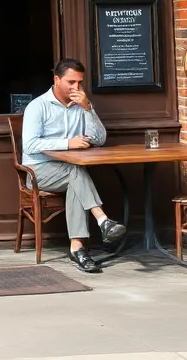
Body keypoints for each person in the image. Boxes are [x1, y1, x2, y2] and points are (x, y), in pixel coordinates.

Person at [21, 58, 127, 273]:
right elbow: (30, 144)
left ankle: (77, 248)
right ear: (56, 80)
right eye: (71, 82)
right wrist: (67, 143)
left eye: (79, 82)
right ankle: (103, 220)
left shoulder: (81, 106)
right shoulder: (38, 106)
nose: (76, 87)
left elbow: (99, 139)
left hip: (71, 170)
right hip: (38, 170)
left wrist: (88, 109)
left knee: (75, 179)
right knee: (75, 172)